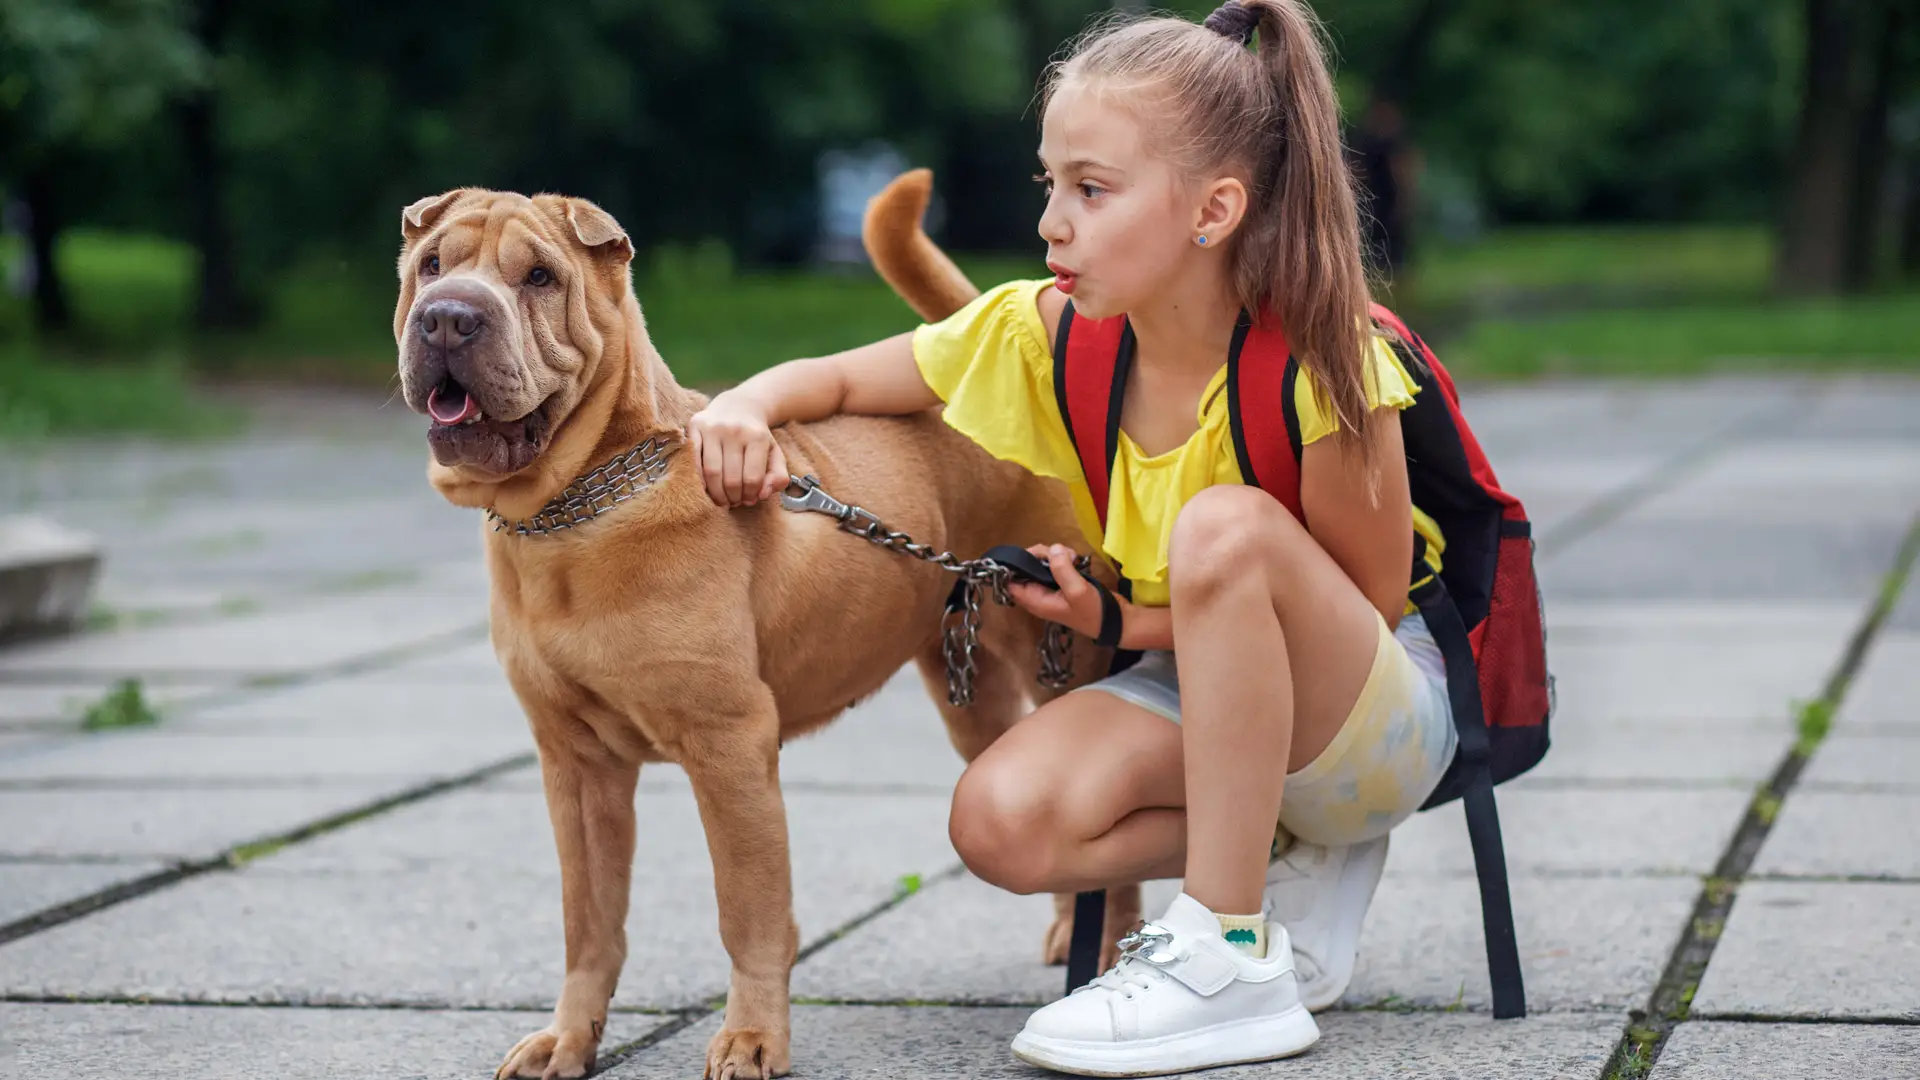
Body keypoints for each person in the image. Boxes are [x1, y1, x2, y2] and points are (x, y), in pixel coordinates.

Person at [688, 1, 1457, 1074]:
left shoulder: (1318, 362)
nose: (1053, 219)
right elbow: (847, 377)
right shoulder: (1052, 334)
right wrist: (743, 409)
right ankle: (1278, 847)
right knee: (998, 820)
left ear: (1213, 209)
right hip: (1204, 688)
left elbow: (1366, 607)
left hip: (1368, 719)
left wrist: (1137, 616)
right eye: (1052, 182)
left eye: (1092, 190)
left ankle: (1230, 953)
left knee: (1226, 527)